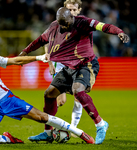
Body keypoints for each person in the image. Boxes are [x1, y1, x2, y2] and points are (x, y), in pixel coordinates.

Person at [19, 7, 129, 144]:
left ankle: (100, 124)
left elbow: (103, 26)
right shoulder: (54, 27)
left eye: (66, 22)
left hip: (86, 64)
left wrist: (119, 32)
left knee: (78, 91)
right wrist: (25, 52)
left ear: (71, 17)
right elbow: (41, 40)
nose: (64, 26)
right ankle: (48, 132)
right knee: (49, 93)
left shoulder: (83, 22)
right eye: (61, 23)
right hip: (68, 67)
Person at [0, 43, 95, 144]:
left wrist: (39, 57)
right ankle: (8, 139)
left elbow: (15, 60)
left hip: (7, 100)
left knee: (41, 117)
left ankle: (80, 133)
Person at [44, 0, 83, 131]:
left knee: (79, 94)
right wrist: (50, 63)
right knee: (61, 101)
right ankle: (50, 128)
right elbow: (46, 42)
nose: (71, 12)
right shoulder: (57, 25)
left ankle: (73, 128)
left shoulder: (84, 25)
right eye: (68, 10)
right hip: (61, 65)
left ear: (79, 10)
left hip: (77, 66)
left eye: (73, 10)